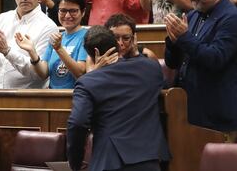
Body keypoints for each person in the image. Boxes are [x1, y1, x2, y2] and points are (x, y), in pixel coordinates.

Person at [67, 25, 169, 171]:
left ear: (94, 53)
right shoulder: (150, 68)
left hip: (109, 161)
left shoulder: (87, 82)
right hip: (149, 160)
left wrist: (75, 163)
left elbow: (78, 123)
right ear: (116, 46)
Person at [164, 0, 237, 136]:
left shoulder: (232, 19)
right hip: (190, 113)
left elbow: (215, 59)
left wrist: (184, 38)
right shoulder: (193, 15)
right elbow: (173, 63)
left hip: (219, 118)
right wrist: (173, 41)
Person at [15, 0, 87, 89]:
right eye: (63, 11)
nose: (67, 15)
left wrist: (59, 49)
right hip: (53, 96)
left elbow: (80, 72)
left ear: (83, 12)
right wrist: (32, 52)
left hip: (75, 96)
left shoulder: (87, 37)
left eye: (73, 11)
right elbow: (44, 73)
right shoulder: (55, 37)